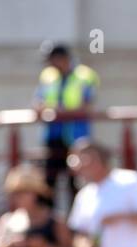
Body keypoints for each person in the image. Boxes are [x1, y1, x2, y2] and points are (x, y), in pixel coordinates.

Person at [31, 41, 98, 208]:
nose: (51, 65)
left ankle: (76, 224)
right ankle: (49, 226)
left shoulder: (85, 75)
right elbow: (37, 103)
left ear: (62, 58)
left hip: (76, 138)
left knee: (75, 182)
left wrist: (57, 110)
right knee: (49, 181)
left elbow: (86, 105)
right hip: (54, 137)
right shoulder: (48, 76)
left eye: (52, 60)